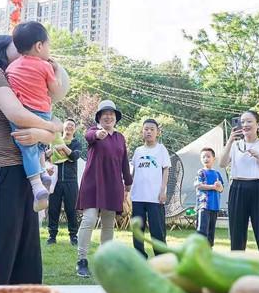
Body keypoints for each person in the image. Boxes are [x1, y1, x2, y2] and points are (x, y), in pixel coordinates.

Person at [0, 35, 62, 284]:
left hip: (22, 173)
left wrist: (45, 132)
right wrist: (51, 127)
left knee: (27, 252)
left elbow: (42, 131)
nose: (24, 50)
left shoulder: (17, 82)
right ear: (0, 50)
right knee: (1, 252)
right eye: (16, 46)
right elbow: (17, 115)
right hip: (0, 170)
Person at [6, 21, 64, 211]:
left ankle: (37, 183)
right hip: (43, 112)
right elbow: (55, 91)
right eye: (48, 45)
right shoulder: (45, 66)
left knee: (28, 149)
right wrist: (54, 73)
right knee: (38, 145)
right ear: (39, 46)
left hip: (23, 113)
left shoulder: (11, 68)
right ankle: (41, 181)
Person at [75, 100, 133, 277]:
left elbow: (124, 162)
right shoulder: (94, 132)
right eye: (104, 114)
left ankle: (105, 261)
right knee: (89, 219)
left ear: (115, 118)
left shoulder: (120, 138)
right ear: (99, 118)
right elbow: (89, 136)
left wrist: (128, 183)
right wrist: (99, 134)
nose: (108, 117)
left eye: (112, 114)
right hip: (92, 183)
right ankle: (82, 260)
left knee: (108, 223)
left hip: (113, 184)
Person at [219, 110, 259, 251]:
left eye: (249, 121)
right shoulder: (234, 145)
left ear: (258, 124)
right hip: (238, 188)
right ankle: (237, 263)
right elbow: (222, 163)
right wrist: (230, 141)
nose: (245, 124)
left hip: (258, 188)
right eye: (242, 121)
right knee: (236, 231)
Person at [130, 119, 171, 258]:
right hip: (138, 197)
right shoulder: (138, 151)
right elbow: (133, 171)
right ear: (142, 132)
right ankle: (140, 257)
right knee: (137, 230)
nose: (148, 131)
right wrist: (127, 189)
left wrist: (163, 190)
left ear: (157, 132)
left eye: (152, 129)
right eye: (146, 129)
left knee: (157, 231)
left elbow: (166, 170)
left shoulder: (161, 149)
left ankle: (162, 258)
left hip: (155, 198)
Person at [46, 118, 82, 246]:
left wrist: (63, 147)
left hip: (70, 180)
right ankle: (52, 236)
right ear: (63, 128)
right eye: (67, 125)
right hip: (55, 180)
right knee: (53, 209)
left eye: (72, 125)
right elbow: (45, 158)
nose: (69, 127)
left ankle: (73, 236)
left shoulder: (76, 143)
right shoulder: (53, 141)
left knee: (71, 210)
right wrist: (48, 154)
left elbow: (74, 156)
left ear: (75, 129)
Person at [194, 147, 224, 247]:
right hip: (204, 206)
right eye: (203, 157)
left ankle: (208, 253)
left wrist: (219, 187)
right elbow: (198, 185)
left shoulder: (217, 174)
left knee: (211, 232)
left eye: (208, 156)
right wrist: (213, 187)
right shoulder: (201, 172)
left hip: (214, 207)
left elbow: (221, 189)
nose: (206, 159)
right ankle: (198, 252)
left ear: (214, 159)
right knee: (202, 231)